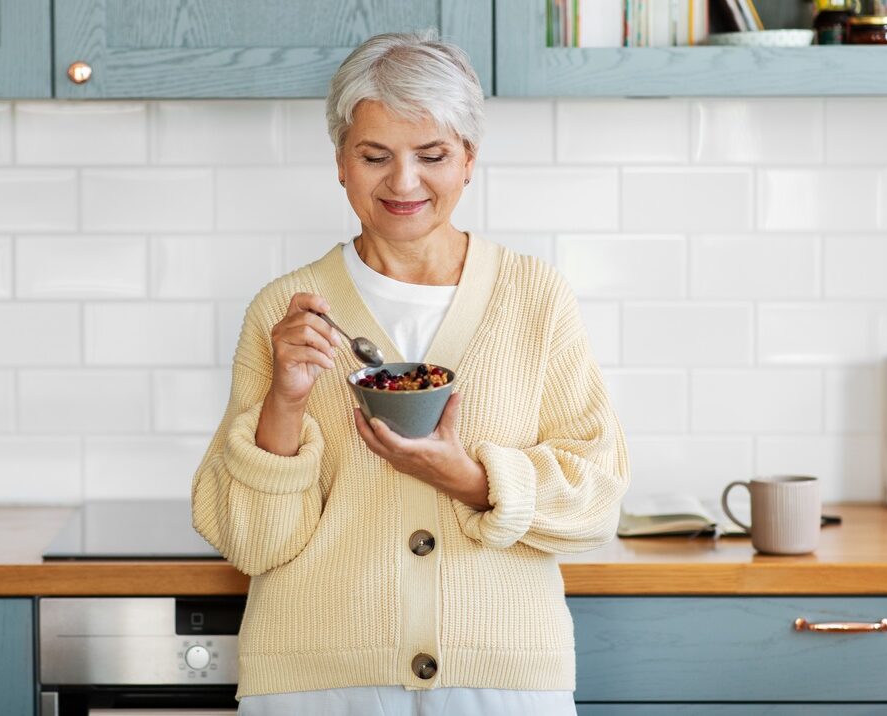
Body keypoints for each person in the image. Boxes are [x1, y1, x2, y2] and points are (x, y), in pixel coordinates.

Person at [192, 29, 630, 716]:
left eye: (432, 155)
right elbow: (251, 541)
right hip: (316, 681)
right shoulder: (285, 312)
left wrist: (471, 480)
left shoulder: (535, 297)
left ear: (468, 162)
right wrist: (284, 401)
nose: (403, 182)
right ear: (340, 161)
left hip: (502, 678)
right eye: (374, 156)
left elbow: (598, 498)